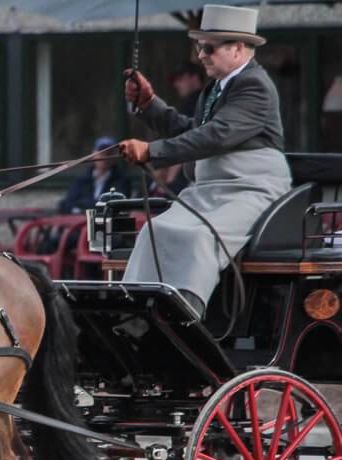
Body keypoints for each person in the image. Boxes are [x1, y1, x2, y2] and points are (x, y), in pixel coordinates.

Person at [118, 4, 291, 319]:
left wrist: (151, 151)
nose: (200, 55)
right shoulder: (215, 89)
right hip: (210, 190)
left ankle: (184, 320)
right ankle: (134, 314)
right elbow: (194, 132)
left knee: (200, 237)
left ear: (238, 48)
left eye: (208, 48)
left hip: (249, 189)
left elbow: (216, 136)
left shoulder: (255, 85)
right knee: (155, 231)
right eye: (200, 47)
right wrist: (150, 105)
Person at [150, 61, 207, 195]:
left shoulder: (197, 102)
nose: (176, 84)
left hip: (188, 177)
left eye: (181, 79)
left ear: (195, 78)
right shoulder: (192, 103)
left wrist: (171, 177)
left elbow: (186, 140)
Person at [59, 136, 131, 214]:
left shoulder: (122, 180)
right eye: (101, 152)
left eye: (109, 153)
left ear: (114, 156)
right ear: (93, 154)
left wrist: (82, 205)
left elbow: (116, 205)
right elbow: (68, 205)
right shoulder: (81, 180)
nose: (105, 156)